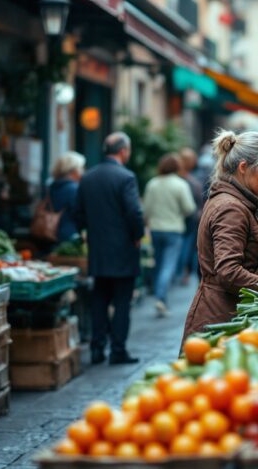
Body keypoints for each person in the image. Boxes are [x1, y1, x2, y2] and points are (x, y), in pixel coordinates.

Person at [182, 130, 258, 340]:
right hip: (223, 319)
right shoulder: (231, 208)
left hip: (233, 314)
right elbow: (229, 271)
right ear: (243, 167)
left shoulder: (237, 201)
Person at [74, 132, 144, 365]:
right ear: (123, 151)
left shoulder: (88, 177)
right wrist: (137, 236)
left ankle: (96, 348)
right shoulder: (126, 177)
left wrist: (88, 233)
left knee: (99, 300)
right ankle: (118, 350)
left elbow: (79, 213)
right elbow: (134, 212)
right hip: (123, 250)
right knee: (122, 302)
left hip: (98, 249)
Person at [143, 154, 196, 317]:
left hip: (156, 229)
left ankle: (161, 298)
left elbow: (146, 210)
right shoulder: (180, 185)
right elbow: (189, 208)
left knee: (159, 264)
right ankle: (161, 298)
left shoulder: (152, 184)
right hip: (174, 229)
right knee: (168, 266)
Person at [177, 148, 205, 285]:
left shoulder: (179, 178)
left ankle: (183, 273)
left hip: (182, 219)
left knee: (185, 248)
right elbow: (199, 202)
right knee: (189, 248)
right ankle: (185, 272)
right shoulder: (195, 180)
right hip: (191, 219)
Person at [49, 151, 85, 243]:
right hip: (68, 237)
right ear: (74, 171)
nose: (83, 171)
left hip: (49, 234)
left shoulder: (53, 187)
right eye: (81, 168)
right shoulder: (74, 189)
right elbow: (80, 214)